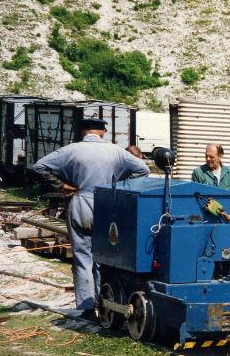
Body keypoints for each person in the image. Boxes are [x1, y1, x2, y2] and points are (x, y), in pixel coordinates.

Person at [32, 118, 150, 318]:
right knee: (105, 256)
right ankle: (106, 303)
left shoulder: (70, 150)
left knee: (82, 257)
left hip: (79, 201)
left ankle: (87, 307)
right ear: (103, 132)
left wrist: (62, 185)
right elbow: (143, 170)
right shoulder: (116, 151)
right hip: (107, 206)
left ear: (83, 132)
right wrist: (120, 185)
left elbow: (39, 167)